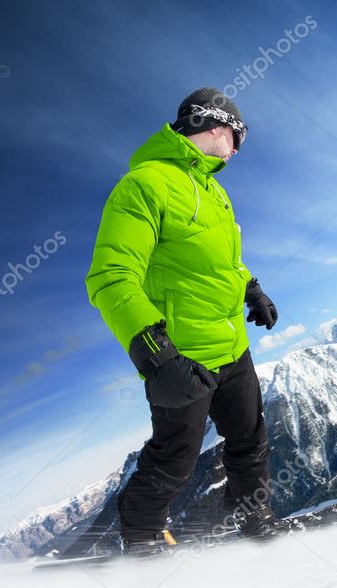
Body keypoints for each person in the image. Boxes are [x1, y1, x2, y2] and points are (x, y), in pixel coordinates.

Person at [85, 87, 280, 554]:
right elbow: (111, 278)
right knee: (176, 456)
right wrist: (156, 355)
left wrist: (251, 287)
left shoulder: (214, 190)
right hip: (182, 355)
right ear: (214, 126)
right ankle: (141, 539)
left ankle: (257, 521)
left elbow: (221, 259)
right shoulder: (144, 184)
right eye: (237, 136)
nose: (237, 148)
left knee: (250, 441)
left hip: (232, 344)